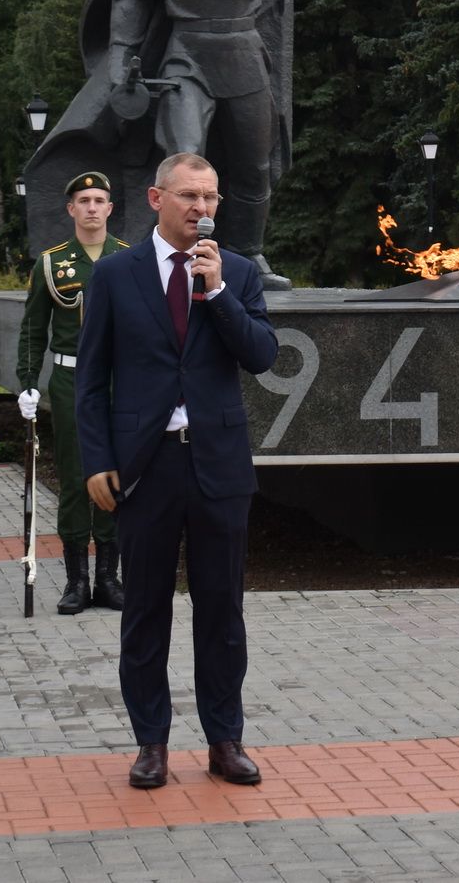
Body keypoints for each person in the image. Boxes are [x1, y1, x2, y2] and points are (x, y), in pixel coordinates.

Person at [30, 0, 426, 282]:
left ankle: (250, 255)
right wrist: (122, 53)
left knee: (254, 166)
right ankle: (176, 259)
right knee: (183, 165)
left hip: (242, 55)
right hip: (187, 59)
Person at [75, 153, 278, 790]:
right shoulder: (115, 274)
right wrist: (97, 460)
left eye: (211, 197)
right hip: (146, 466)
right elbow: (91, 379)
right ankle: (152, 744)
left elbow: (262, 356)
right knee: (145, 611)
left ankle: (225, 740)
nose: (202, 208)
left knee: (222, 612)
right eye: (190, 195)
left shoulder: (236, 272)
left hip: (218, 465)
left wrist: (217, 293)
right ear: (157, 198)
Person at [16, 171, 131, 615]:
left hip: (119, 380)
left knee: (117, 473)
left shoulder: (129, 258)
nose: (92, 207)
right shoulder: (51, 264)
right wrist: (27, 381)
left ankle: (108, 578)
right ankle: (76, 581)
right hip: (71, 380)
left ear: (110, 208)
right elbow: (33, 330)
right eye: (84, 201)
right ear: (71, 209)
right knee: (75, 475)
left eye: (99, 200)